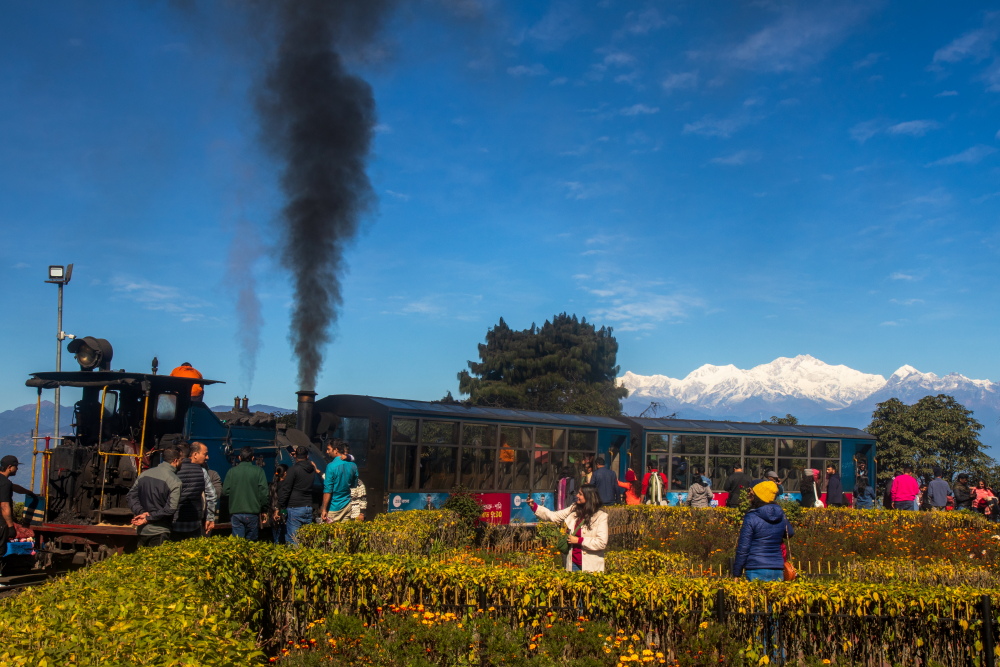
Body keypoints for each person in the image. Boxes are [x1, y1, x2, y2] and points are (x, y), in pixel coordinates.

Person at [528, 484, 609, 572]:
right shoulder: (574, 508)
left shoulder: (601, 516)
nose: (577, 495)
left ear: (589, 496)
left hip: (590, 565)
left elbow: (601, 542)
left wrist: (579, 540)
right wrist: (534, 506)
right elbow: (554, 516)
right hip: (573, 563)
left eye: (580, 494)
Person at [732, 480, 794, 581]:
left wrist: (737, 573)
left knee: (756, 597)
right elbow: (790, 533)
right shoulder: (780, 514)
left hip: (756, 567)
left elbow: (743, 547)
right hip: (777, 567)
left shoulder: (751, 517)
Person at [126, 447, 182, 547]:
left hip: (142, 530)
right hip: (160, 531)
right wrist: (148, 518)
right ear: (176, 461)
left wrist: (141, 512)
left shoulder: (144, 474)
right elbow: (170, 509)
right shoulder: (175, 481)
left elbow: (130, 495)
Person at [222, 447, 270, 540]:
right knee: (251, 543)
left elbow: (225, 491)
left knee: (238, 542)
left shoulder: (232, 471)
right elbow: (264, 493)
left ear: (239, 457)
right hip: (253, 511)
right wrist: (264, 509)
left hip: (236, 511)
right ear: (252, 458)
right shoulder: (259, 471)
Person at [171, 442, 216, 540]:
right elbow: (212, 495)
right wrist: (210, 518)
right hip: (194, 522)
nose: (207, 457)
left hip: (174, 521)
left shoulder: (173, 469)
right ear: (195, 455)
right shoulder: (202, 471)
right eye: (205, 454)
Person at [278, 446, 317, 545]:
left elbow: (286, 489)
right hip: (308, 506)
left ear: (296, 456)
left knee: (293, 539)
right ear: (307, 456)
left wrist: (281, 505)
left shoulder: (293, 470)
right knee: (306, 539)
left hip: (294, 507)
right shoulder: (312, 469)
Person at [320, 441, 359, 523]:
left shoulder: (331, 466)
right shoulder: (353, 466)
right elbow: (354, 485)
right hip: (347, 504)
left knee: (330, 533)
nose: (327, 452)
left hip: (334, 507)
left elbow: (328, 490)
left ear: (336, 450)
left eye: (328, 449)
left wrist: (324, 509)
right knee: (343, 533)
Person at [268, 464, 289, 543]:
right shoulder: (286, 485)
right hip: (283, 511)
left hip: (272, 512)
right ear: (285, 473)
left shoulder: (272, 485)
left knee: (276, 536)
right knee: (284, 535)